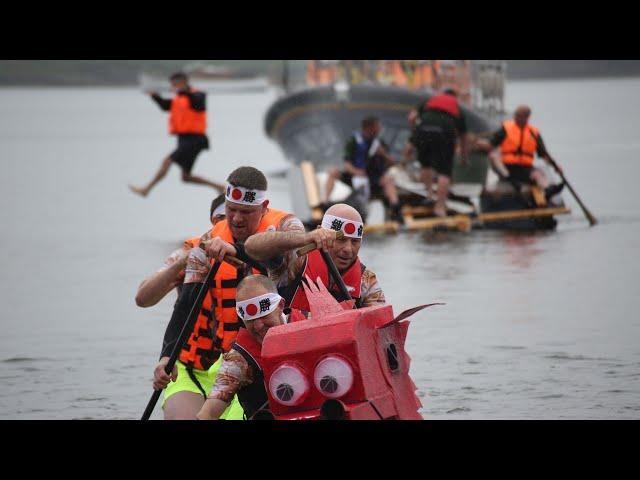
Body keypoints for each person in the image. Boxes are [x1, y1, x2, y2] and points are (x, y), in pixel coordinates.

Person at [152, 166, 305, 419]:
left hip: (281, 347)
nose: (236, 219)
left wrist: (237, 251)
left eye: (246, 212)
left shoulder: (286, 225)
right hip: (230, 357)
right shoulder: (207, 245)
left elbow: (299, 262)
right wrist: (165, 356)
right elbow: (186, 304)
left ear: (264, 207)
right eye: (231, 209)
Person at [244, 203, 386, 313]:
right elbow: (250, 247)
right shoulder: (296, 259)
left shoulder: (367, 280)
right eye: (341, 240)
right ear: (320, 232)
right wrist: (305, 238)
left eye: (355, 241)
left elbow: (380, 325)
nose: (348, 249)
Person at [195, 274, 294, 420]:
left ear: (280, 305)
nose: (258, 326)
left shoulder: (309, 324)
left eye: (264, 315)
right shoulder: (238, 360)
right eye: (250, 320)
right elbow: (207, 413)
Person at [129, 71, 224, 197]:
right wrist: (155, 97)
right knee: (186, 177)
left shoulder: (198, 95)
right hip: (184, 140)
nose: (173, 87)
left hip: (195, 139)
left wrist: (185, 92)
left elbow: (198, 104)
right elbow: (165, 106)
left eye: (175, 84)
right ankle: (220, 187)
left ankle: (146, 189)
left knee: (167, 161)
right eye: (172, 85)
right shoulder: (178, 99)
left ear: (183, 83)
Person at [135, 194, 226, 309]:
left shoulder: (253, 250)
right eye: (231, 215)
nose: (238, 219)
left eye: (247, 213)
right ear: (216, 221)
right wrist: (182, 262)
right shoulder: (190, 251)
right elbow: (142, 299)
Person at [322, 116, 403, 222]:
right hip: (355, 177)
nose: (379, 129)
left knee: (388, 180)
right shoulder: (354, 141)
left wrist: (383, 154)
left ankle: (395, 207)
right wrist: (357, 172)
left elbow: (392, 163)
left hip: (373, 179)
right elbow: (347, 164)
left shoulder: (379, 143)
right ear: (369, 128)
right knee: (333, 172)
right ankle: (325, 202)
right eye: (377, 127)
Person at [406, 88, 470, 217]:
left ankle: (429, 196)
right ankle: (439, 207)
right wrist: (464, 157)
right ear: (455, 97)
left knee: (426, 165)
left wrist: (414, 136)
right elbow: (464, 137)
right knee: (444, 171)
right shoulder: (458, 108)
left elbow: (412, 117)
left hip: (423, 130)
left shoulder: (429, 101)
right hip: (444, 133)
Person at [479, 105, 565, 200]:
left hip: (524, 168)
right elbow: (490, 145)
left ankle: (548, 189)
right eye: (516, 115)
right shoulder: (506, 129)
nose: (515, 117)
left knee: (537, 174)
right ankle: (510, 179)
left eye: (519, 115)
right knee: (493, 156)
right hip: (507, 167)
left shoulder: (533, 133)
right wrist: (477, 143)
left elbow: (544, 154)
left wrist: (556, 167)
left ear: (526, 117)